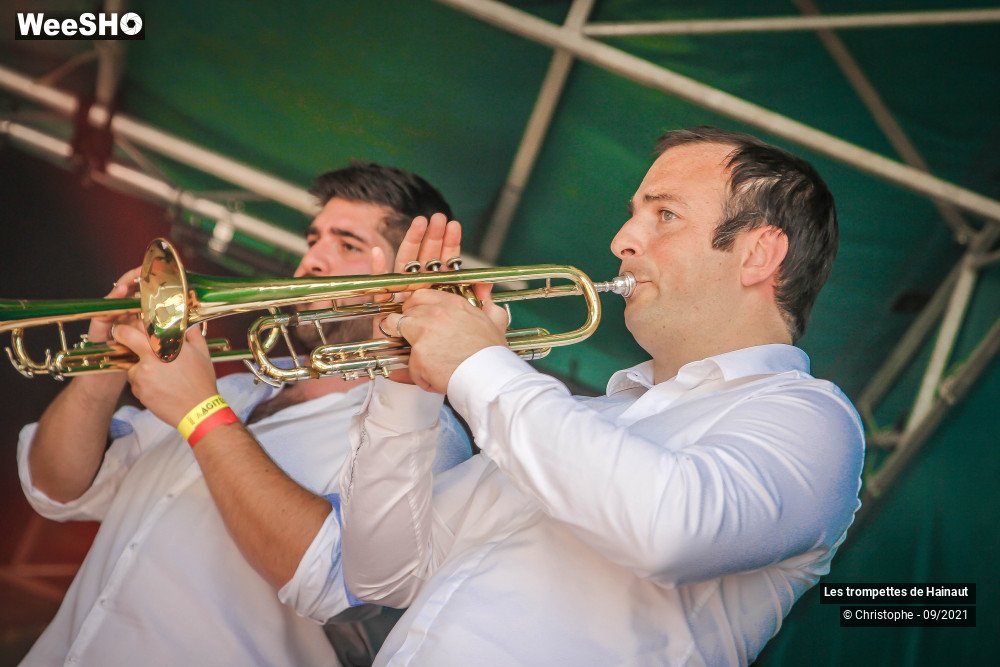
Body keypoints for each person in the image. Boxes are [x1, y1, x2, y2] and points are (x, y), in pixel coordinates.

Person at [338, 127, 866, 665]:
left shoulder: (815, 421)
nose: (621, 242)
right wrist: (406, 387)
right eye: (634, 214)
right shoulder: (577, 421)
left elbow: (670, 530)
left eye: (665, 216)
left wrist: (478, 364)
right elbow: (382, 574)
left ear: (758, 254)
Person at [16, 162, 471, 666]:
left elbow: (336, 587)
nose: (312, 260)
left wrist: (200, 411)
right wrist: (104, 366)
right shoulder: (236, 386)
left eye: (347, 245)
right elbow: (56, 489)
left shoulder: (427, 437)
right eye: (313, 239)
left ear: (410, 274)